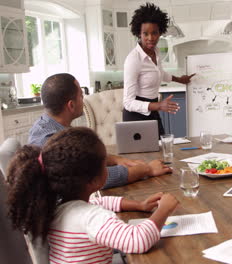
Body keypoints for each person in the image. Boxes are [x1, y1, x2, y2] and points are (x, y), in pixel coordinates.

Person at [8, 127, 179, 263]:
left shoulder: (58, 206)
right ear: (92, 181)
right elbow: (137, 240)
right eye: (105, 165)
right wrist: (164, 210)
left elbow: (101, 201)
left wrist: (139, 205)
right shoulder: (92, 219)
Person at [29, 73, 171, 189]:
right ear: (71, 105)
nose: (83, 99)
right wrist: (148, 169)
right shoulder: (51, 143)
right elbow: (97, 178)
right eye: (81, 96)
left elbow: (85, 155)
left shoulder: (50, 126)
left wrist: (117, 160)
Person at [124, 3, 194, 136]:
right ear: (139, 33)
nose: (150, 38)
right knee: (146, 155)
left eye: (154, 33)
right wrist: (158, 106)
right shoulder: (133, 59)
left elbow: (159, 73)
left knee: (161, 150)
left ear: (160, 32)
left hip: (153, 109)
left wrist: (179, 79)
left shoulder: (155, 52)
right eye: (145, 33)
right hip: (135, 117)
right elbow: (128, 103)